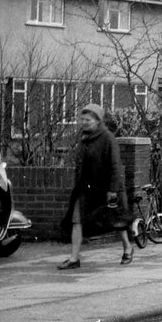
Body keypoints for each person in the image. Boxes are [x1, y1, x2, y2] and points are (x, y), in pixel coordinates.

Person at [57, 103, 134, 269]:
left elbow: (115, 165)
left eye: (88, 119)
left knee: (116, 220)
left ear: (98, 121)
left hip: (105, 188)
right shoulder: (84, 138)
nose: (84, 122)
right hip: (85, 188)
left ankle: (127, 247)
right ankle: (73, 258)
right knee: (76, 220)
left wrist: (112, 190)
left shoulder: (108, 138)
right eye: (82, 119)